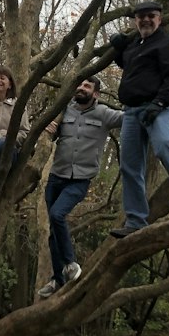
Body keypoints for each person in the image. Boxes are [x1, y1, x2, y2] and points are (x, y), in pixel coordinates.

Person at [108, 0, 169, 236]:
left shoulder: (166, 44)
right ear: (136, 20)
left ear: (159, 18)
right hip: (131, 111)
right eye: (141, 16)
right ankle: (136, 221)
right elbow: (131, 66)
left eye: (151, 16)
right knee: (130, 166)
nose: (146, 20)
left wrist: (159, 102)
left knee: (166, 145)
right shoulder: (136, 44)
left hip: (157, 108)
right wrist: (119, 49)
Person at [37, 76, 123, 299]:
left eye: (87, 86)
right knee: (53, 232)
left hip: (80, 179)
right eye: (80, 84)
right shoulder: (65, 110)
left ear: (95, 94)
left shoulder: (103, 113)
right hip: (56, 176)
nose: (81, 88)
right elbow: (52, 133)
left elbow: (128, 118)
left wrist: (153, 108)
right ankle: (57, 279)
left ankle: (70, 264)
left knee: (57, 215)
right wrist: (51, 129)